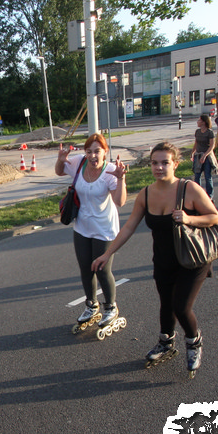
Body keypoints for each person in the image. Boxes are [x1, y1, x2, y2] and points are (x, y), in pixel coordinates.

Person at [92, 142, 218, 377]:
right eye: (154, 163)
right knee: (166, 304)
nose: (159, 167)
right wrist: (107, 253)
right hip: (163, 260)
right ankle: (165, 342)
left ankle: (194, 342)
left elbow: (214, 217)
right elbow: (129, 227)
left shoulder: (189, 189)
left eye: (165, 163)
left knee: (181, 307)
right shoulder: (146, 194)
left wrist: (189, 219)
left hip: (192, 259)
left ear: (175, 164)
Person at [54, 133, 128, 330]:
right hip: (82, 227)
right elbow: (59, 172)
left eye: (97, 151)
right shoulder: (79, 163)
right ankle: (91, 305)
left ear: (105, 152)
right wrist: (60, 160)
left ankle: (111, 307)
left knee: (102, 270)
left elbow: (120, 201)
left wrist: (121, 179)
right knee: (86, 269)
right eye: (89, 151)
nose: (93, 156)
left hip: (104, 229)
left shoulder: (110, 171)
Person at [191, 114, 218, 198]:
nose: (197, 122)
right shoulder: (197, 132)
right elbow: (196, 143)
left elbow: (212, 146)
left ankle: (210, 196)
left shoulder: (209, 132)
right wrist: (193, 153)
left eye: (199, 120)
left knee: (207, 176)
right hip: (198, 155)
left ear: (204, 122)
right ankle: (197, 194)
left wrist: (205, 155)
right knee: (197, 176)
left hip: (207, 156)